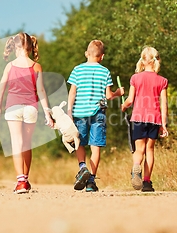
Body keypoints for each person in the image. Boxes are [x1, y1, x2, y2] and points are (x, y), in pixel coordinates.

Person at [0, 32, 53, 194]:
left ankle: (21, 182)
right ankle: (26, 179)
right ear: (31, 47)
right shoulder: (36, 66)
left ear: (15, 47)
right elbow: (41, 91)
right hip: (31, 108)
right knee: (26, 144)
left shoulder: (9, 66)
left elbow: (0, 91)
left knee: (16, 144)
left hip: (13, 108)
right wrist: (47, 113)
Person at [67, 40, 124, 192]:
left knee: (79, 143)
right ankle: (91, 181)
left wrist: (69, 111)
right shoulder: (104, 71)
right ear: (102, 56)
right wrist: (118, 93)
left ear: (86, 53)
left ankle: (82, 167)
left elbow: (72, 92)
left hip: (79, 113)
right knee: (95, 146)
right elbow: (108, 95)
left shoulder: (77, 70)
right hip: (98, 113)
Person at [121, 46, 168, 192]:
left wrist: (124, 106)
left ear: (142, 60)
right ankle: (147, 182)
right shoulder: (162, 81)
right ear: (156, 60)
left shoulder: (135, 78)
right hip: (154, 118)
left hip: (138, 117)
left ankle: (136, 168)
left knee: (139, 149)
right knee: (150, 149)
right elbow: (164, 104)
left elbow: (130, 99)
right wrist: (164, 124)